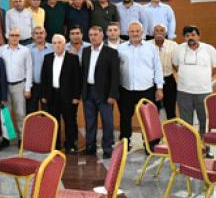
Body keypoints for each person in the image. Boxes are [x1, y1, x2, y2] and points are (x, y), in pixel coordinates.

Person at [117, 21, 164, 146]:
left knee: (148, 117)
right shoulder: (120, 48)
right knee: (125, 117)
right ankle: (125, 143)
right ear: (128, 33)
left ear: (142, 32)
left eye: (137, 31)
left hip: (146, 89)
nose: (135, 33)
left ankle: (150, 143)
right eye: (132, 31)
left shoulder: (151, 48)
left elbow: (158, 68)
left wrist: (159, 88)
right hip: (126, 89)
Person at [172, 25, 216, 136]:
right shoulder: (178, 49)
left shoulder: (209, 49)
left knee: (204, 120)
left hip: (203, 91)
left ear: (199, 36)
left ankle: (204, 143)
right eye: (187, 36)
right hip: (184, 91)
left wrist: (206, 77)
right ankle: (188, 144)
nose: (190, 38)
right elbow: (175, 65)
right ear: (184, 38)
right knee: (185, 122)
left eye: (193, 35)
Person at [81, 26, 120, 158]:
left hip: (105, 94)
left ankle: (107, 149)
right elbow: (83, 72)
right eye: (91, 35)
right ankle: (90, 147)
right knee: (90, 122)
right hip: (88, 92)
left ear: (102, 36)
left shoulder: (111, 52)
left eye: (96, 34)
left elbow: (115, 76)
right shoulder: (86, 51)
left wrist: (113, 95)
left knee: (107, 122)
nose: (93, 37)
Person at [40, 34, 81, 153]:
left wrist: (76, 96)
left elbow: (77, 79)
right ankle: (55, 144)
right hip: (52, 95)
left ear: (64, 44)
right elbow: (44, 77)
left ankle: (70, 144)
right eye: (54, 43)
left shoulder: (73, 58)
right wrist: (44, 95)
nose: (57, 45)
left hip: (68, 96)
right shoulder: (47, 58)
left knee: (70, 121)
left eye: (59, 42)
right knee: (54, 121)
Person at [0, 28, 33, 138]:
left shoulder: (25, 51)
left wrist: (27, 88)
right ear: (8, 36)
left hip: (19, 85)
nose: (14, 38)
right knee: (5, 113)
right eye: (12, 35)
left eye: (17, 35)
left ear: (19, 37)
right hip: (5, 86)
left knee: (21, 113)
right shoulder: (1, 50)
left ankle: (22, 137)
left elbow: (29, 69)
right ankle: (8, 137)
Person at [150, 24, 178, 119]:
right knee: (153, 110)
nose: (159, 33)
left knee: (170, 110)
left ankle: (172, 128)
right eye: (156, 30)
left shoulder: (173, 45)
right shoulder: (147, 45)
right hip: (152, 82)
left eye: (161, 30)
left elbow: (177, 64)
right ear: (153, 33)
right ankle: (154, 128)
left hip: (168, 79)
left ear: (166, 33)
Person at [26, 26, 53, 113]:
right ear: (32, 35)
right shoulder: (26, 49)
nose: (39, 35)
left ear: (45, 34)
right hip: (32, 85)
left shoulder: (52, 48)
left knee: (47, 111)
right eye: (36, 33)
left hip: (47, 85)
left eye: (41, 33)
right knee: (31, 111)